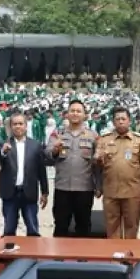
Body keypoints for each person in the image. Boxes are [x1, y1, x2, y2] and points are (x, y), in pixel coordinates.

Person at [94, 107, 140, 239]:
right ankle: (114, 252)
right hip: (111, 192)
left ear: (129, 121)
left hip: (133, 192)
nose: (120, 122)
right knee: (111, 227)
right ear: (113, 122)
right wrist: (97, 160)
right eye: (117, 119)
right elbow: (97, 167)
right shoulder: (104, 140)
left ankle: (129, 252)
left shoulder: (139, 140)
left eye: (123, 119)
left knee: (131, 227)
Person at [47, 100, 100, 237]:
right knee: (61, 225)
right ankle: (58, 252)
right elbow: (47, 156)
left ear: (85, 115)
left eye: (78, 111)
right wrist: (55, 149)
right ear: (67, 114)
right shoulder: (57, 134)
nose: (75, 113)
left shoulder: (93, 136)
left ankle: (81, 252)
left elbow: (98, 164)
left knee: (83, 226)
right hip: (62, 188)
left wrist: (99, 186)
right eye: (72, 111)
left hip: (84, 189)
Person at [0, 113, 48, 236]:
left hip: (29, 192)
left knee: (32, 228)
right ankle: (9, 249)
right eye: (15, 124)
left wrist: (45, 192)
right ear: (11, 126)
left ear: (25, 126)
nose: (18, 126)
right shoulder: (4, 144)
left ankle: (32, 249)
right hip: (10, 193)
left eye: (20, 123)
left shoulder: (35, 145)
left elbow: (41, 170)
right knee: (9, 229)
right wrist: (3, 152)